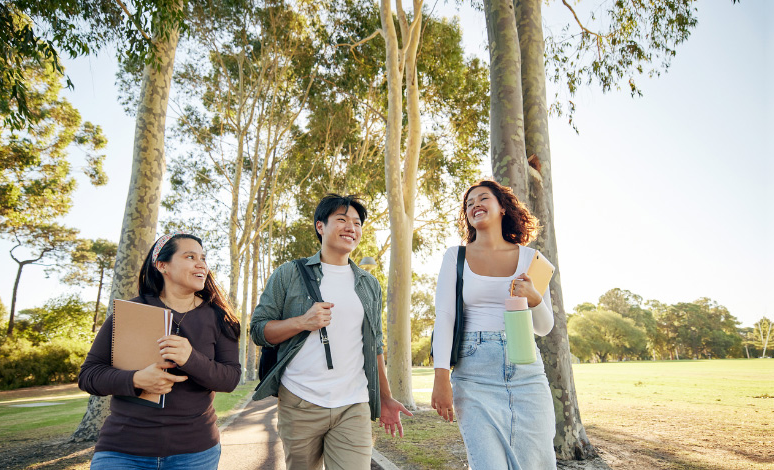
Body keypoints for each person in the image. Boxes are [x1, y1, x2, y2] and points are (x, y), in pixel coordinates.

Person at [251, 193, 412, 470]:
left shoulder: (369, 284)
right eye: (341, 219)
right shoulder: (289, 274)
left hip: (354, 404)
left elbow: (375, 345)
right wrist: (302, 322)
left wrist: (385, 398)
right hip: (300, 402)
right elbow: (258, 330)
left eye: (357, 222)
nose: (351, 227)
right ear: (320, 226)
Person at [79, 233, 242, 470]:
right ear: (162, 265)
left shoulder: (220, 318)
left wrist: (190, 358)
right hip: (123, 450)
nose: (201, 264)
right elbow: (89, 376)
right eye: (190, 256)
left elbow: (230, 379)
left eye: (203, 258)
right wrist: (135, 379)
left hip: (195, 453)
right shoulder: (131, 311)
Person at [430, 180, 557, 470]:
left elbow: (544, 328)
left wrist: (534, 297)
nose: (475, 204)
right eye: (469, 203)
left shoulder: (531, 258)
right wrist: (441, 378)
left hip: (527, 372)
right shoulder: (455, 257)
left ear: (502, 207)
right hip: (474, 373)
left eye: (483, 198)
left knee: (538, 463)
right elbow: (445, 317)